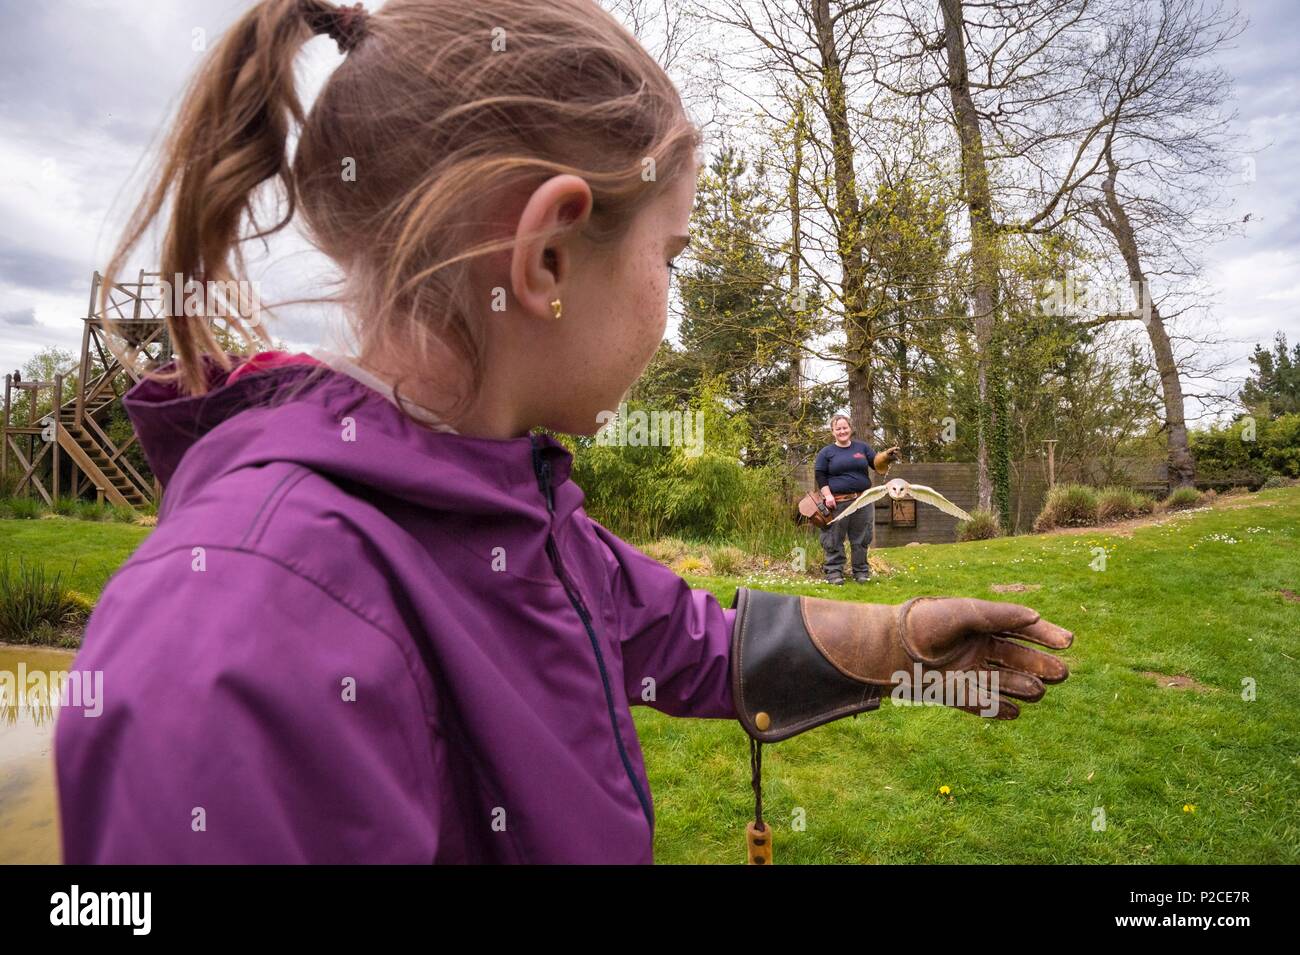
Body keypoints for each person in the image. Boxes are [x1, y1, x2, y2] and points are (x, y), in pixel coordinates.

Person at [54, 0, 1074, 863]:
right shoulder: (245, 629)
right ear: (545, 255)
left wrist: (899, 640)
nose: (668, 299)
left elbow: (686, 639)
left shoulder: (497, 507)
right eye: (668, 256)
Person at [813, 414, 899, 584]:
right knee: (834, 538)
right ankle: (834, 572)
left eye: (845, 427)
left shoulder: (862, 448)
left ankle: (860, 572)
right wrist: (828, 495)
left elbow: (876, 463)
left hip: (863, 500)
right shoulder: (826, 453)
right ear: (833, 431)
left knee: (861, 537)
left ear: (850, 429)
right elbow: (820, 475)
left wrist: (886, 457)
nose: (842, 431)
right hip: (837, 502)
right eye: (838, 428)